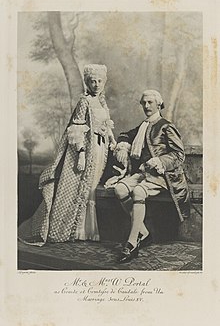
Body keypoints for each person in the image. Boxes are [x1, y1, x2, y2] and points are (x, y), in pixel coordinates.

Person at [19, 64, 116, 246]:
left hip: (100, 150)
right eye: (92, 81)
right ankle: (76, 231)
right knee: (81, 187)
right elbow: (76, 129)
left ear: (104, 83)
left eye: (99, 81)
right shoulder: (84, 102)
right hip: (86, 150)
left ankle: (90, 231)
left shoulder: (102, 103)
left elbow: (106, 125)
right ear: (87, 83)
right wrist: (80, 154)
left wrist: (111, 139)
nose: (96, 84)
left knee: (92, 187)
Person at [107, 89, 190, 263]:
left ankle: (131, 243)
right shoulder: (143, 126)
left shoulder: (166, 126)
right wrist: (122, 145)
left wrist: (159, 161)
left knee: (138, 191)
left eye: (150, 102)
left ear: (158, 104)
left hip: (164, 176)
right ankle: (144, 233)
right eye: (143, 103)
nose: (146, 106)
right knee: (120, 189)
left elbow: (178, 154)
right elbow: (125, 135)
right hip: (144, 173)